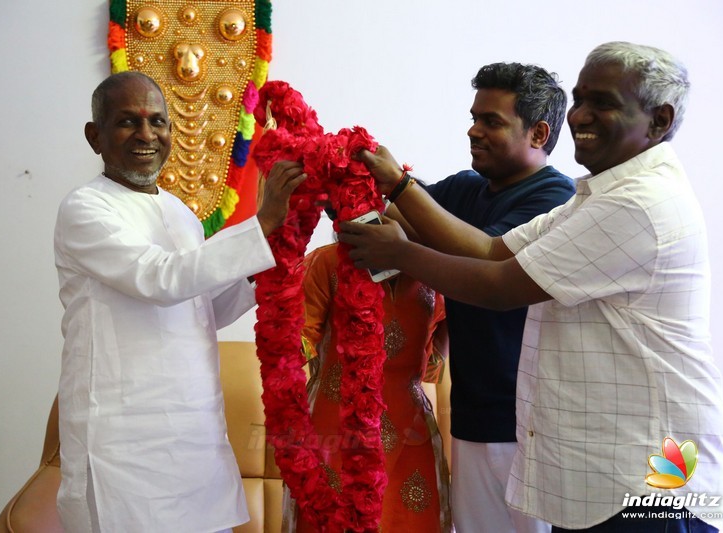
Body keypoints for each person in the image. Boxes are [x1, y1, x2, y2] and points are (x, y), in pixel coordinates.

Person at [340, 42, 723, 532]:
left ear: (659, 120)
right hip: (591, 467)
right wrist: (351, 185)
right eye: (581, 98)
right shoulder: (597, 194)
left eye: (603, 102)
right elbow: (494, 252)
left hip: (651, 479)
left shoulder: (637, 202)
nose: (581, 115)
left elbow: (501, 284)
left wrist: (399, 243)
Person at [54, 71, 306, 533]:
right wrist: (261, 222)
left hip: (193, 438)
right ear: (96, 136)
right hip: (123, 443)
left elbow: (202, 310)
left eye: (157, 121)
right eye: (128, 121)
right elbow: (160, 279)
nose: (147, 135)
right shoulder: (86, 209)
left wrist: (270, 267)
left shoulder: (179, 212)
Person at [351, 62, 576, 532]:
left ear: (538, 133)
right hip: (472, 420)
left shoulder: (557, 197)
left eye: (491, 121)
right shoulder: (465, 189)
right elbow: (389, 222)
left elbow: (487, 260)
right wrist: (336, 175)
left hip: (534, 428)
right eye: (474, 117)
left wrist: (399, 188)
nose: (473, 131)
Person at [283, 233, 452, 531]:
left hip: (410, 430)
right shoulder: (329, 262)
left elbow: (430, 364)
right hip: (334, 425)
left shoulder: (434, 271)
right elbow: (297, 345)